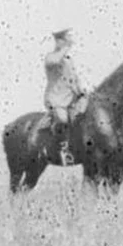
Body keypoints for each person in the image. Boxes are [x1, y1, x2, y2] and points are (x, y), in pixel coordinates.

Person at [43, 28, 85, 165]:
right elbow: (55, 62)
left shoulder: (68, 60)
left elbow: (74, 78)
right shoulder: (51, 57)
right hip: (56, 99)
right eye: (66, 40)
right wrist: (65, 48)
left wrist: (81, 91)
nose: (69, 43)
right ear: (58, 41)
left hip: (71, 99)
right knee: (62, 119)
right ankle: (63, 150)